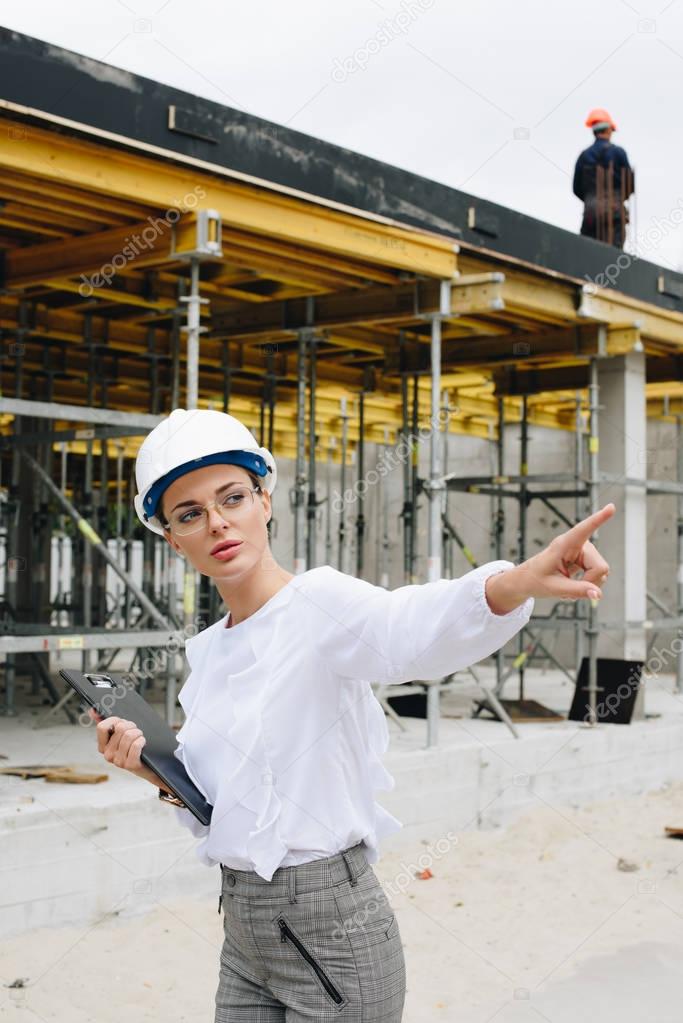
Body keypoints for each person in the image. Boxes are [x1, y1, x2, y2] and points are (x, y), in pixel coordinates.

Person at [91, 407, 613, 1021]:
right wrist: (154, 772)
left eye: (232, 497)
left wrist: (518, 581)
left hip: (330, 932)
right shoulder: (210, 652)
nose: (217, 522)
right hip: (244, 934)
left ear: (264, 499)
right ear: (171, 537)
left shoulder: (316, 602)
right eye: (189, 514)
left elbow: (408, 629)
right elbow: (225, 806)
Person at [573, 108, 634, 249]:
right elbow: (630, 184)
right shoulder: (619, 153)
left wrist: (591, 200)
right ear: (608, 130)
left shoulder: (584, 156)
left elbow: (576, 188)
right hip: (615, 211)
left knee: (588, 252)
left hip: (591, 212)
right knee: (614, 255)